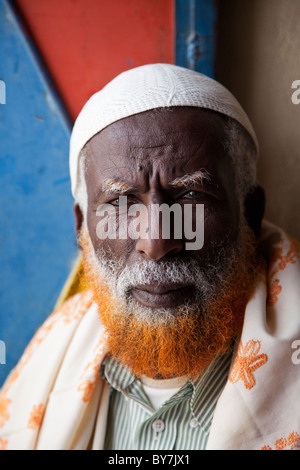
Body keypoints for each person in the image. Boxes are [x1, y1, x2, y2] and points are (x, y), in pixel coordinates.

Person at [0, 64, 299, 451]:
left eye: (193, 196)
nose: (156, 241)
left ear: (251, 214)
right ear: (81, 229)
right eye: (121, 202)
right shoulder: (49, 357)